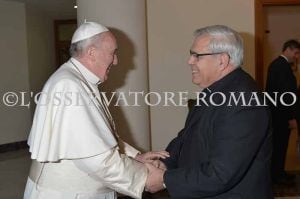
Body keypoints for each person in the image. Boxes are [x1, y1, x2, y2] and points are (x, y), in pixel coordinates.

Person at [23, 21, 169, 199]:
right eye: (112, 53)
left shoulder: (79, 80)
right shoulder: (70, 85)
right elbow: (98, 160)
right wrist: (143, 178)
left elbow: (98, 138)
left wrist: (135, 156)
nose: (116, 61)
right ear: (92, 53)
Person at [145, 25, 272, 198]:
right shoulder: (213, 90)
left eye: (197, 55)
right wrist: (165, 163)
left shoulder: (245, 101)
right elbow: (186, 137)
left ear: (222, 60)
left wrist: (165, 179)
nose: (190, 61)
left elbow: (221, 174)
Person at [266, 39, 300, 185]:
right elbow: (286, 95)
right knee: (280, 145)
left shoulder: (278, 65)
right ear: (288, 49)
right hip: (281, 115)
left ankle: (279, 172)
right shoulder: (281, 66)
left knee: (280, 145)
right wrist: (292, 117)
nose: (297, 56)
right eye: (296, 52)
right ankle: (277, 175)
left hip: (276, 114)